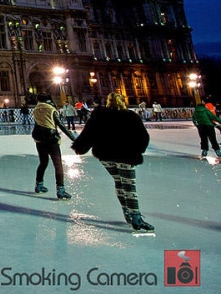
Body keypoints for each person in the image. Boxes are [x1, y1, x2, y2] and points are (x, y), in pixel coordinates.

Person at [72, 92, 154, 232]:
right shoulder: (130, 116)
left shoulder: (99, 116)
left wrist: (80, 147)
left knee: (119, 182)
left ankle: (127, 213)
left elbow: (88, 134)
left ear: (108, 102)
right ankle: (136, 217)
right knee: (129, 185)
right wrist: (138, 150)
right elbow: (143, 136)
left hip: (106, 156)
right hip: (126, 155)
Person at [31, 92, 76, 199]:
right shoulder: (51, 110)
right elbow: (61, 125)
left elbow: (37, 123)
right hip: (51, 140)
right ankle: (60, 190)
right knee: (58, 165)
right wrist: (73, 139)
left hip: (39, 139)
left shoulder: (36, 109)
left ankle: (39, 186)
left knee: (43, 162)